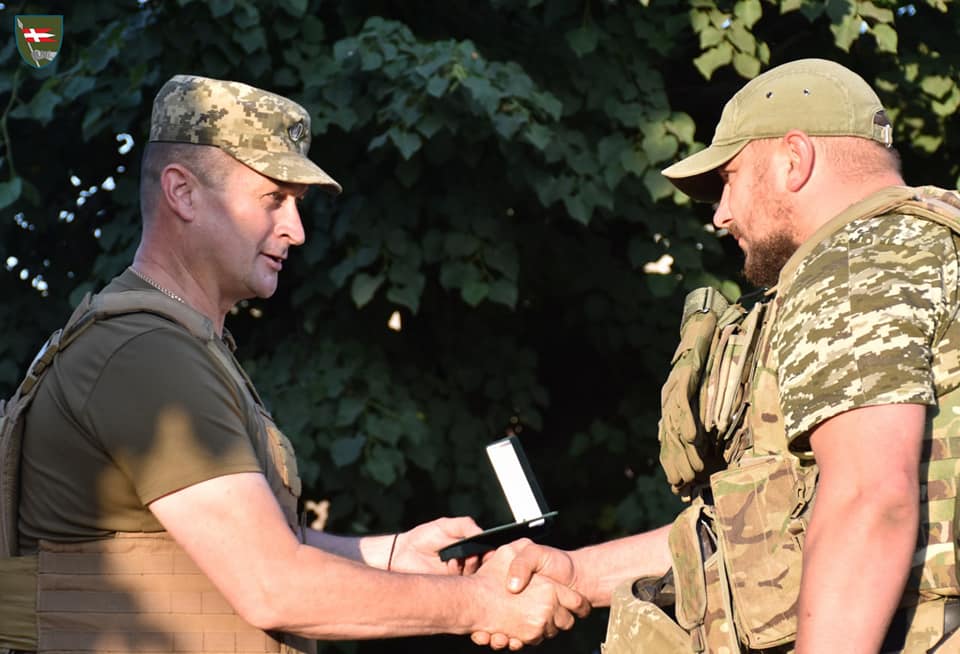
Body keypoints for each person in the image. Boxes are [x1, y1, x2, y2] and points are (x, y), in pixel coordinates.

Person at [0, 74, 588, 653]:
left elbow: (232, 546)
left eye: (297, 204)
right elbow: (274, 585)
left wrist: (392, 554)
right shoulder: (145, 355)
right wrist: (481, 603)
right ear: (182, 192)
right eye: (273, 199)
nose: (297, 231)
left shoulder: (170, 343)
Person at [478, 58, 960, 653]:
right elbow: (763, 530)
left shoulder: (855, 260)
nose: (720, 214)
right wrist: (577, 574)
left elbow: (869, 499)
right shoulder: (915, 248)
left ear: (794, 159)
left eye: (730, 179)